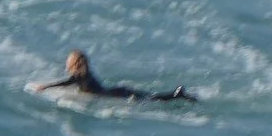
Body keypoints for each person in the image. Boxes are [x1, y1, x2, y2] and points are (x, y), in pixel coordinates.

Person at [35, 50, 191, 102]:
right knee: (150, 97)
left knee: (150, 99)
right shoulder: (86, 74)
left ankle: (176, 95)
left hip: (115, 94)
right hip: (116, 91)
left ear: (74, 64)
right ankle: (176, 94)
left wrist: (45, 87)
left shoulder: (79, 76)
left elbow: (65, 82)